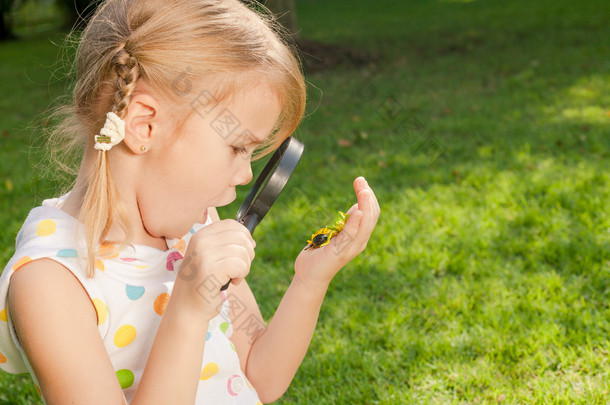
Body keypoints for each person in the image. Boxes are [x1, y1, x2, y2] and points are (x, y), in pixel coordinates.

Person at [0, 0, 380, 403]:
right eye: (237, 148)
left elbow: (259, 376)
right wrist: (187, 309)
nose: (247, 175)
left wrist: (309, 281)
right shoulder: (51, 282)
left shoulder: (197, 227)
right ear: (144, 125)